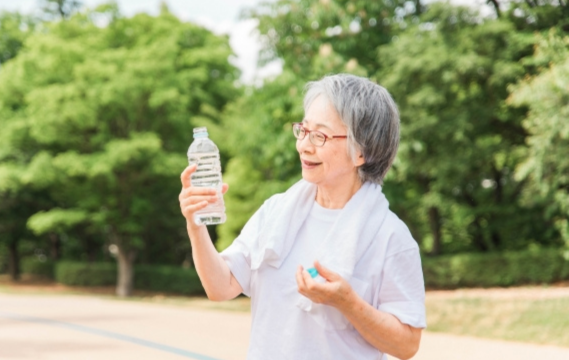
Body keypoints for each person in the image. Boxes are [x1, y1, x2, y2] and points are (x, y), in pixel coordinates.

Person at [179, 74, 426, 360]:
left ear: (361, 151)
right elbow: (220, 286)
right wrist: (195, 223)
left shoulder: (391, 237)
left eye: (319, 136)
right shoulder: (276, 212)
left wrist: (347, 303)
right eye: (303, 130)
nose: (304, 146)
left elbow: (407, 344)